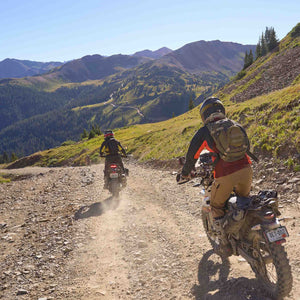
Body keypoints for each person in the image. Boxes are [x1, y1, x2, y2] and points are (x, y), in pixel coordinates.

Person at [178, 97, 255, 255]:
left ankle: (225, 244)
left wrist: (185, 173)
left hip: (226, 174)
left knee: (216, 206)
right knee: (244, 202)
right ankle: (247, 233)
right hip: (246, 170)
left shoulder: (205, 131)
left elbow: (192, 156)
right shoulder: (235, 125)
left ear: (204, 115)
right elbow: (246, 146)